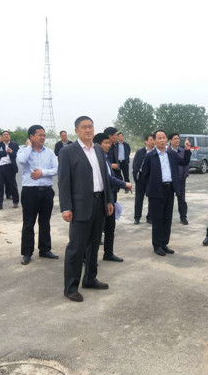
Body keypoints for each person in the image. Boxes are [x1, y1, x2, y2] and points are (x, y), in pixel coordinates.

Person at [59, 116, 114, 302]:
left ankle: (90, 279)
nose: (88, 130)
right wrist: (66, 207)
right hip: (80, 206)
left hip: (99, 203)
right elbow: (64, 182)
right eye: (84, 127)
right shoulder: (68, 152)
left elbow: (104, 178)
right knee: (76, 248)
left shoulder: (98, 149)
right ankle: (70, 288)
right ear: (76, 131)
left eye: (90, 126)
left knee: (94, 244)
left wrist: (108, 200)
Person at [140, 130, 191, 256]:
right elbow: (144, 175)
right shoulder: (150, 156)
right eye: (159, 138)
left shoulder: (171, 154)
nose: (162, 140)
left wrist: (187, 150)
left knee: (167, 218)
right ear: (154, 141)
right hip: (156, 191)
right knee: (157, 219)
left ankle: (164, 243)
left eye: (163, 138)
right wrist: (148, 189)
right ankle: (157, 245)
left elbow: (184, 162)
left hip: (169, 189)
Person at [17, 125, 59, 265]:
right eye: (40, 135)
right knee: (29, 223)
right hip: (30, 191)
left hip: (47, 191)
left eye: (44, 135)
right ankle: (27, 252)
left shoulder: (50, 152)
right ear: (31, 137)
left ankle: (45, 249)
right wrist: (29, 147)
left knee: (45, 222)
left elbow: (57, 169)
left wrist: (42, 173)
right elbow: (22, 161)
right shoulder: (23, 151)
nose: (43, 137)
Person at [94, 132, 132, 262]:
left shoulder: (105, 157)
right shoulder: (96, 160)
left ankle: (108, 253)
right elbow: (108, 178)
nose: (108, 145)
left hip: (110, 197)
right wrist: (124, 184)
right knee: (97, 230)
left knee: (110, 226)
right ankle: (89, 258)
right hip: (100, 198)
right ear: (97, 145)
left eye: (108, 143)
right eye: (106, 143)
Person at [0, 130, 20, 210]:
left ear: (9, 136)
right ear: (2, 137)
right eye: (4, 135)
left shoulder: (14, 144)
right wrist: (6, 152)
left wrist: (11, 151)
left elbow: (18, 154)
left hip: (10, 166)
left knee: (12, 185)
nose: (6, 136)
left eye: (7, 134)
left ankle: (15, 202)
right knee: (0, 185)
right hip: (0, 166)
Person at [168, 133, 190, 225]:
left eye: (178, 139)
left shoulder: (182, 151)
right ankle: (167, 218)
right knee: (168, 200)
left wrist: (185, 174)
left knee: (181, 199)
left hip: (180, 179)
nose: (177, 140)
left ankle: (183, 217)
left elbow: (186, 163)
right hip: (169, 180)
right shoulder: (167, 151)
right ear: (170, 140)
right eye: (175, 139)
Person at [133, 134, 154, 225]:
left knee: (152, 199)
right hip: (141, 177)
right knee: (139, 199)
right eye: (150, 140)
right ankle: (137, 217)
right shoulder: (140, 152)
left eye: (153, 140)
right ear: (146, 141)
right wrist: (135, 175)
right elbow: (135, 164)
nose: (152, 141)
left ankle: (150, 217)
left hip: (151, 178)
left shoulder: (155, 152)